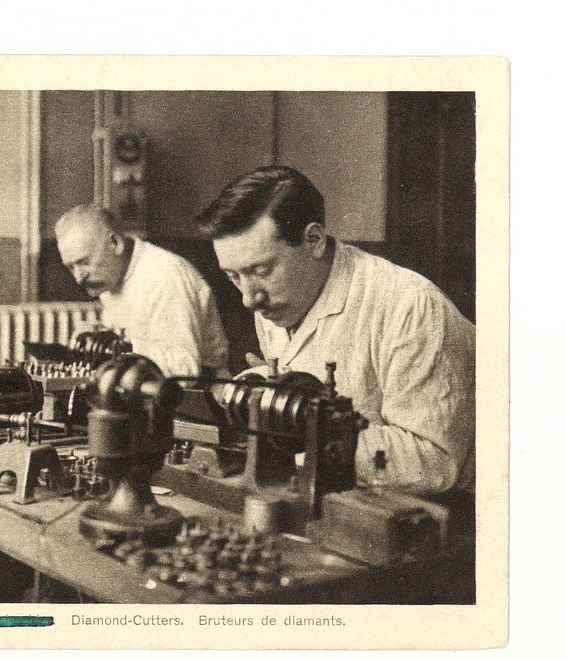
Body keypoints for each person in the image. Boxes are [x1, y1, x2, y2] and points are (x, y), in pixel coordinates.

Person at [199, 166, 475, 496]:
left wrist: (294, 428)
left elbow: (432, 462)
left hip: (449, 510)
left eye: (261, 270)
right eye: (233, 277)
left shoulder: (410, 306)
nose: (248, 299)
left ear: (313, 240)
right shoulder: (276, 301)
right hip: (339, 494)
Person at [54, 204, 229, 378]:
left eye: (84, 263)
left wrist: (119, 347)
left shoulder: (165, 274)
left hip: (199, 389)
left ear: (115, 243)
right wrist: (98, 335)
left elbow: (184, 370)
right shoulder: (111, 276)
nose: (78, 278)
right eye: (71, 267)